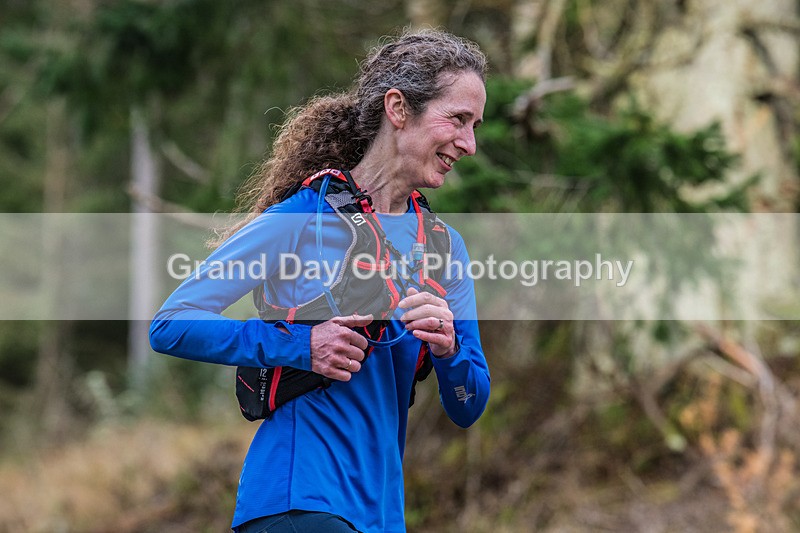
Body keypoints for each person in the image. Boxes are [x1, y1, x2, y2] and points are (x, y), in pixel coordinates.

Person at [149, 28, 490, 533]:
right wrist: (302, 344)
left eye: (476, 125)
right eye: (458, 119)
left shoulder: (444, 247)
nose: (470, 143)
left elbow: (469, 404)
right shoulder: (301, 218)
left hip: (379, 514)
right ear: (398, 108)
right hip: (296, 499)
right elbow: (172, 324)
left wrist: (447, 352)